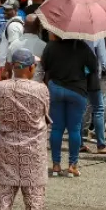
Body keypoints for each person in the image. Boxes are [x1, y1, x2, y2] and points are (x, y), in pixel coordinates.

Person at [0, 48, 49, 210]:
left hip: (6, 150)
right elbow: (45, 114)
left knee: (3, 203)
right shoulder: (41, 89)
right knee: (34, 204)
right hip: (33, 154)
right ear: (31, 67)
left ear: (12, 67)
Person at [42, 33, 98, 176]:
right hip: (77, 90)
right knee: (74, 129)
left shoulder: (51, 46)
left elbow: (44, 66)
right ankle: (73, 165)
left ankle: (56, 165)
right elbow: (93, 67)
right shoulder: (83, 47)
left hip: (56, 88)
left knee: (56, 128)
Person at [6, 14, 46, 82]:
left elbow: (8, 69)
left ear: (23, 26)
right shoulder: (44, 46)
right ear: (39, 28)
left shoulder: (13, 45)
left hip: (16, 84)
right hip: (37, 84)